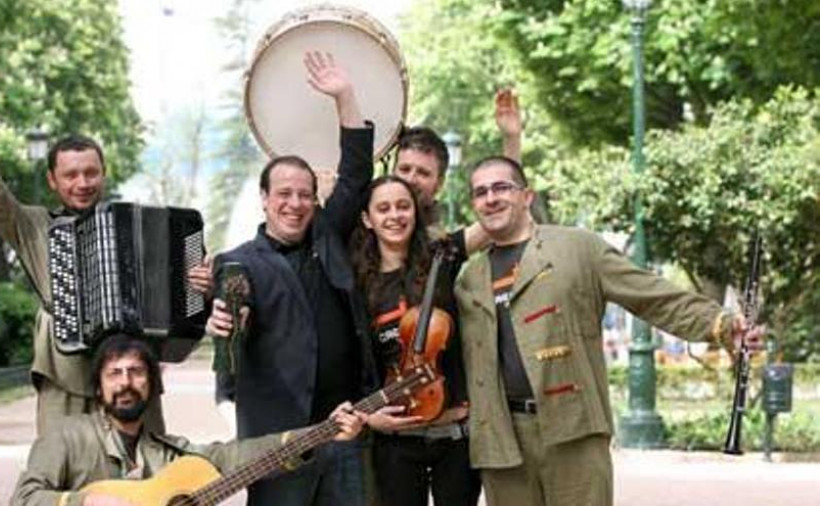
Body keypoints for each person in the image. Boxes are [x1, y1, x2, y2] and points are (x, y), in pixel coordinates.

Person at [453, 156, 765, 506]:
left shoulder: (577, 248)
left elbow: (651, 295)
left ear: (527, 196)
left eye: (501, 187)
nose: (490, 198)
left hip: (573, 427)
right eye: (480, 192)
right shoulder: (468, 278)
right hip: (501, 439)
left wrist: (720, 325)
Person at [0, 53, 210, 435]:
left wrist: (198, 289)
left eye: (91, 172)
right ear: (52, 181)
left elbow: (184, 297)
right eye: (71, 174)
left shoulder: (143, 227)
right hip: (66, 378)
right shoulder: (35, 226)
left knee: (147, 481)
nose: (82, 182)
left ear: (104, 174)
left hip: (134, 380)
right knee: (66, 479)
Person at [205, 51, 377, 506]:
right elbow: (225, 320)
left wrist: (345, 95)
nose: (295, 203)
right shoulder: (236, 262)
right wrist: (217, 319)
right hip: (276, 442)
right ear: (264, 199)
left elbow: (357, 173)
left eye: (305, 194)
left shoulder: (329, 235)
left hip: (344, 428)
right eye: (284, 193)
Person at [10, 334, 366, 506]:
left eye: (136, 372)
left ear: (151, 384)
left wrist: (324, 431)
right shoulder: (67, 437)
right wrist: (82, 503)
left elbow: (237, 456)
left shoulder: (171, 453)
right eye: (114, 374)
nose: (125, 383)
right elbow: (23, 499)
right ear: (99, 388)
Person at [350, 175, 481, 506]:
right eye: (383, 208)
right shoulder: (356, 284)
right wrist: (368, 417)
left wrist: (512, 140)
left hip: (454, 435)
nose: (394, 215)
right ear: (368, 219)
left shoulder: (442, 258)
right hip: (394, 441)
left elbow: (495, 220)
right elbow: (351, 362)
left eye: (403, 206)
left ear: (415, 213)